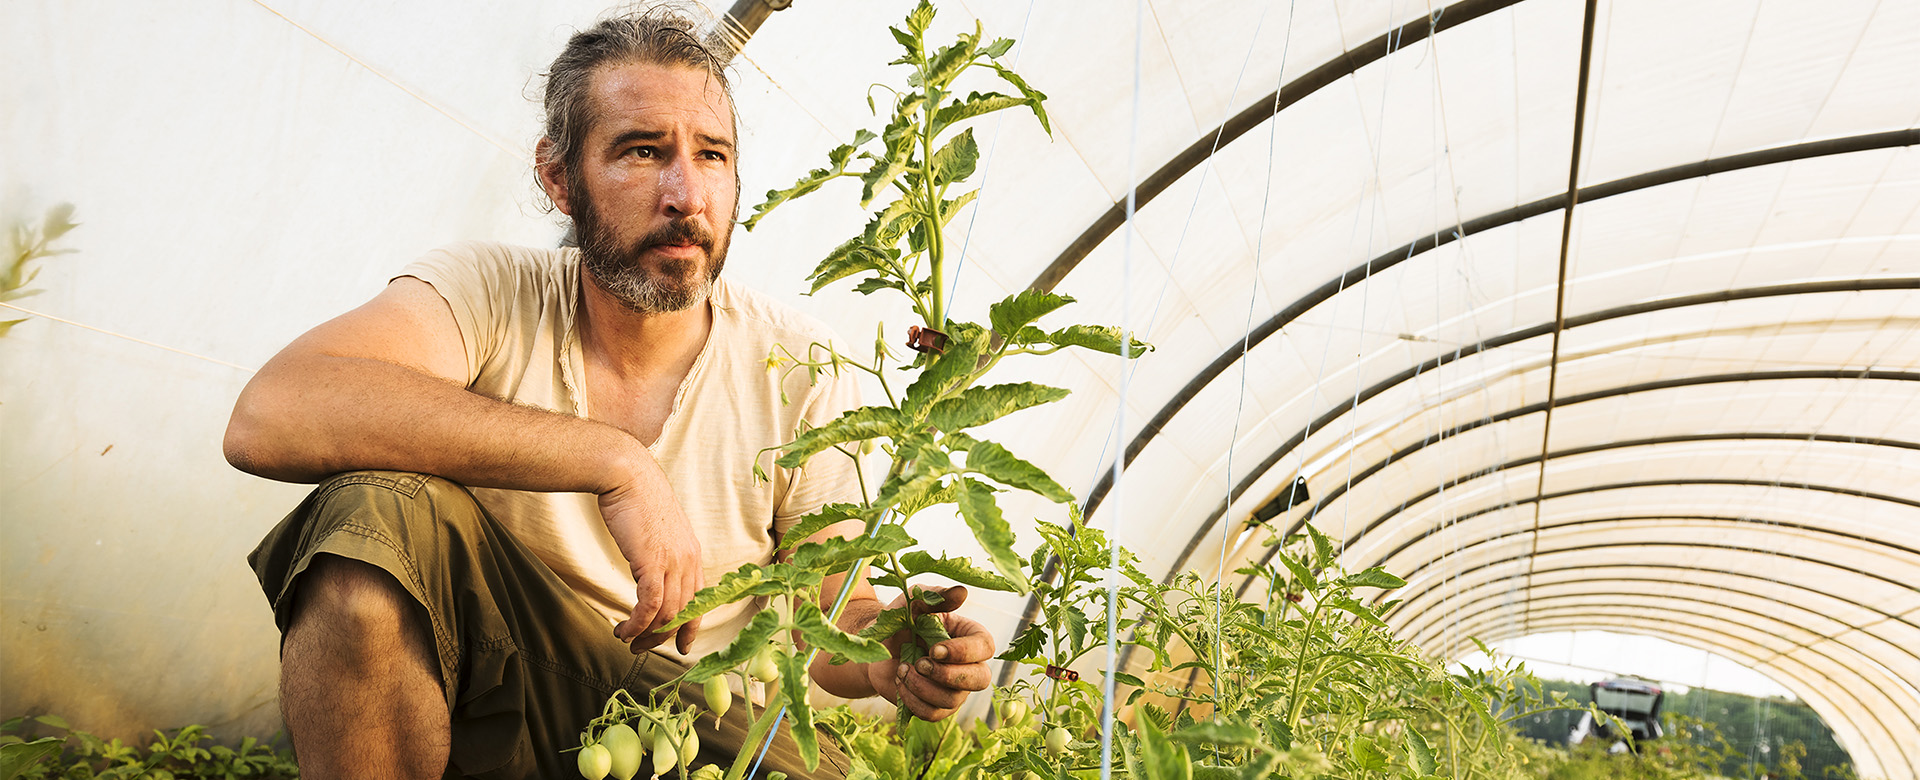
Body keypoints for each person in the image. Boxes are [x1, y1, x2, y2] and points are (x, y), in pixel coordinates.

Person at [223, 8, 993, 779]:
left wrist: (888, 653)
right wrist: (613, 459)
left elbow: (831, 616)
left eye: (712, 155)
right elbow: (271, 413)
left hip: (691, 715)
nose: (686, 194)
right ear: (559, 177)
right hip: (498, 686)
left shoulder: (800, 367)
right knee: (372, 516)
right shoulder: (491, 295)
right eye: (642, 151)